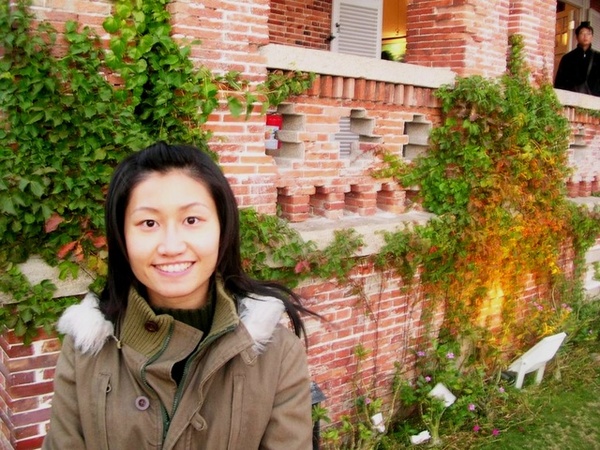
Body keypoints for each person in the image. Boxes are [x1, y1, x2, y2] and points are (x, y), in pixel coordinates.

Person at [43, 142, 314, 449]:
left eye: (191, 220)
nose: (171, 246)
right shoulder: (86, 350)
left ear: (222, 228)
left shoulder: (277, 356)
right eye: (149, 223)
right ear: (122, 237)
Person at [554, 21, 600, 96]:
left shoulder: (598, 57)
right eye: (582, 33)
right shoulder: (567, 58)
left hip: (594, 99)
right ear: (577, 37)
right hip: (571, 97)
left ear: (592, 37)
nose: (585, 36)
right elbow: (560, 82)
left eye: (588, 34)